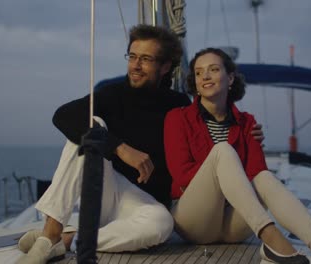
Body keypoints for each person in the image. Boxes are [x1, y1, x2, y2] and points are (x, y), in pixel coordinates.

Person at [16, 26, 264, 264]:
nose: (135, 65)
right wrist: (121, 148)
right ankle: (50, 234)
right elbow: (63, 115)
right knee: (91, 126)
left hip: (145, 204)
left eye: (145, 59)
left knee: (162, 224)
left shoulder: (178, 104)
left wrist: (246, 133)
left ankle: (69, 240)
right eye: (132, 56)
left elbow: (213, 133)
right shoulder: (112, 94)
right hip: (106, 189)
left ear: (165, 66)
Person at [164, 48, 311, 264]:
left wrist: (235, 183)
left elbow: (257, 173)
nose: (205, 76)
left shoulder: (247, 123)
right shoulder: (177, 118)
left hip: (234, 225)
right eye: (198, 73)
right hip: (195, 220)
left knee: (264, 177)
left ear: (230, 78)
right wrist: (226, 178)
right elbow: (182, 175)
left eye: (213, 69)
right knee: (223, 151)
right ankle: (272, 238)